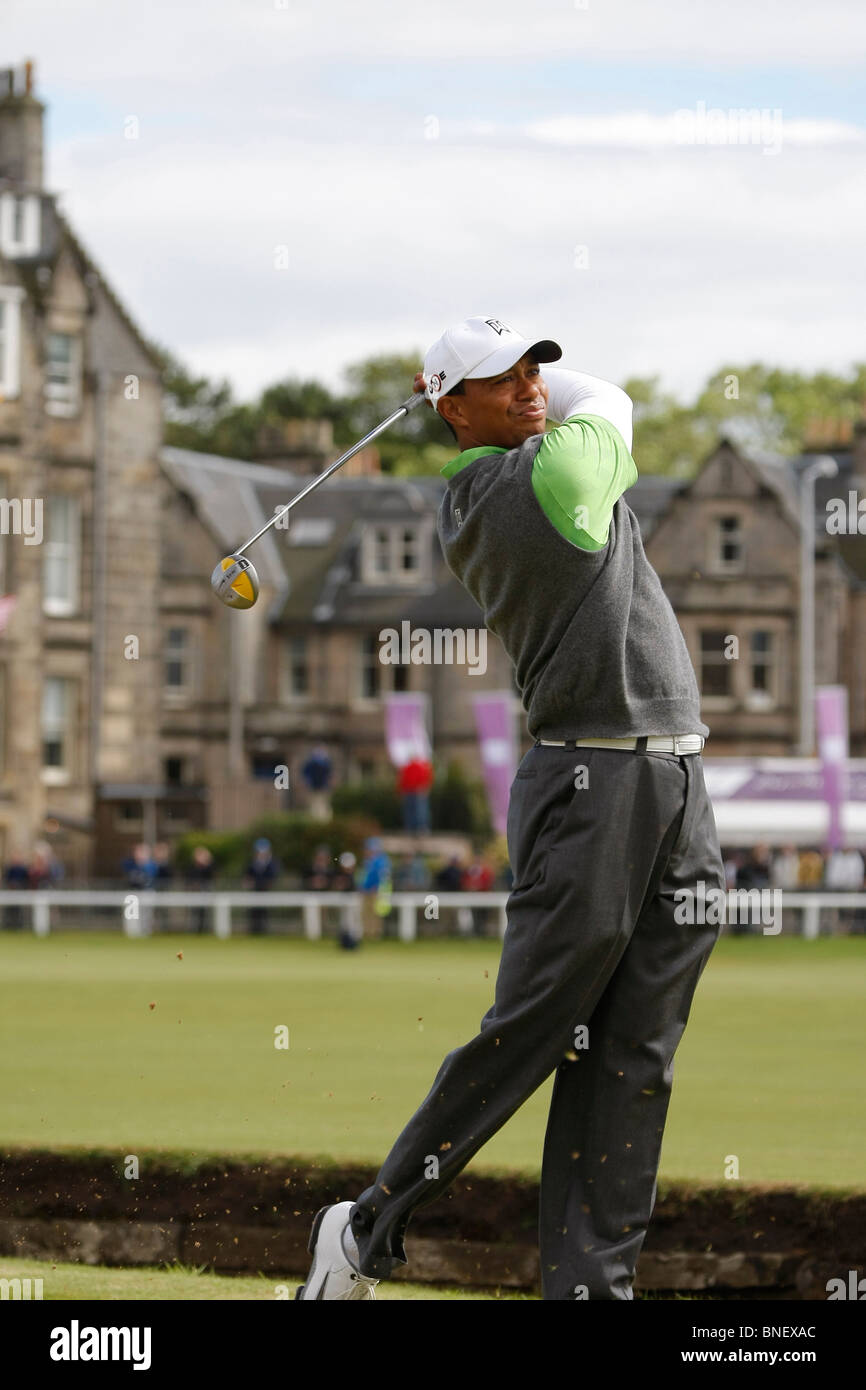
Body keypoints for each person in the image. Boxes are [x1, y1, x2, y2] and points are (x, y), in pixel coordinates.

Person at [297, 315, 723, 1302]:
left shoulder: (544, 452)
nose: (531, 386)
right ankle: (362, 1227)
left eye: (535, 367)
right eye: (500, 378)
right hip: (589, 784)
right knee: (531, 1027)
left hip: (674, 780)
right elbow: (608, 407)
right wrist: (544, 399)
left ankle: (588, 1290)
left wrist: (504, 374)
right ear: (447, 407)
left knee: (636, 1051)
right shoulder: (494, 492)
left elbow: (591, 409)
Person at [358, 837, 391, 941]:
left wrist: (376, 887)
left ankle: (374, 935)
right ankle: (367, 933)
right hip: (366, 891)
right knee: (365, 913)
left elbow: (382, 877)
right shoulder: (368, 861)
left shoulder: (381, 861)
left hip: (375, 891)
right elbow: (364, 876)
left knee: (375, 913)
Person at [244, 837, 279, 936]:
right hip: (254, 892)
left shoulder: (272, 863)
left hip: (267, 893)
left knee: (265, 913)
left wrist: (263, 884)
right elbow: (247, 876)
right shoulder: (253, 863)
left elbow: (273, 877)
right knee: (254, 913)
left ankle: (264, 932)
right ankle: (254, 932)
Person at [397, 757, 433, 835]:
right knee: (410, 811)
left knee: (420, 811)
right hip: (409, 791)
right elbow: (403, 780)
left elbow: (426, 778)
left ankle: (421, 828)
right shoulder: (407, 768)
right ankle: (410, 829)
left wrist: (424, 788)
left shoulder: (420, 767)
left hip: (418, 792)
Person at [186, 845, 215, 934]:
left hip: (205, 893)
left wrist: (207, 863)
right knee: (194, 913)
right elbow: (189, 879)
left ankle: (204, 930)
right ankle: (194, 930)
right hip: (194, 893)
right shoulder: (192, 867)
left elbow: (211, 877)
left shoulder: (208, 867)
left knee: (204, 913)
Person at [302, 746, 333, 822]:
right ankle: (318, 819)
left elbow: (329, 775)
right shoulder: (313, 764)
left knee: (321, 804)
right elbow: (306, 774)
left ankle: (322, 819)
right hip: (315, 787)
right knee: (315, 804)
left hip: (321, 787)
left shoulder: (324, 764)